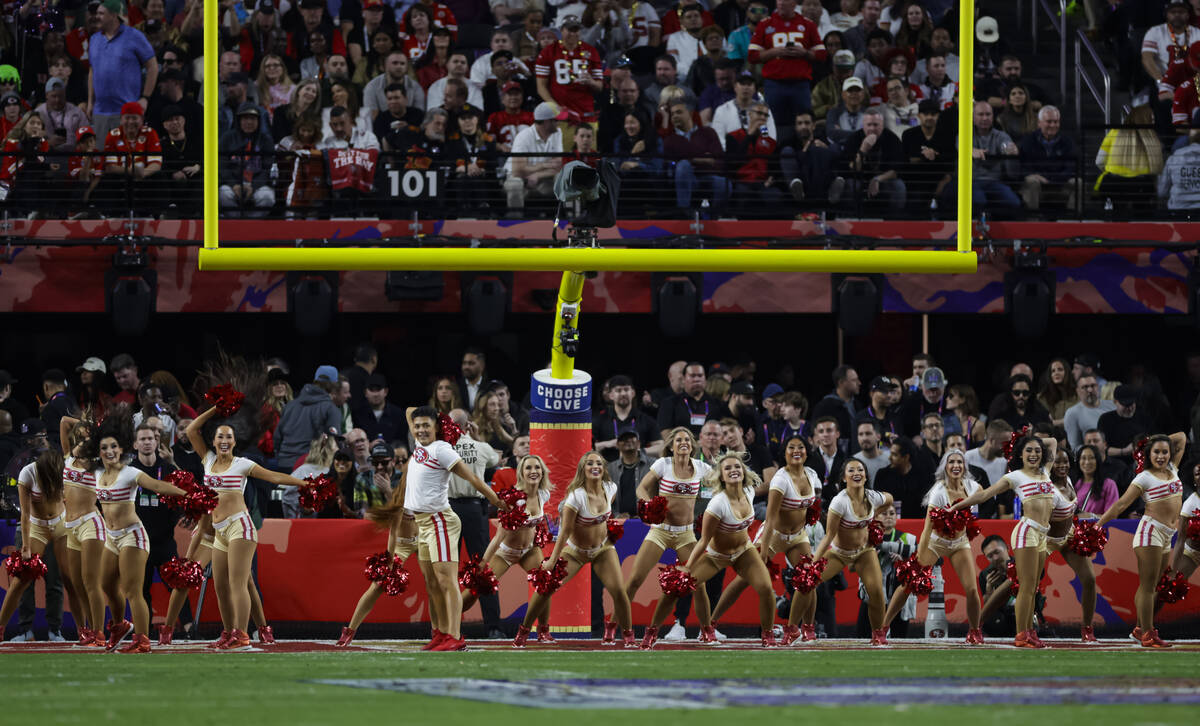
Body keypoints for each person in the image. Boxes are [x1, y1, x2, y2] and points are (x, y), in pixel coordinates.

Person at [187, 389, 309, 650]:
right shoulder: (207, 461)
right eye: (220, 435)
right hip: (219, 530)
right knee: (219, 586)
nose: (224, 440)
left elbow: (274, 477)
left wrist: (303, 483)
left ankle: (241, 634)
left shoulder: (242, 464)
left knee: (238, 583)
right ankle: (228, 632)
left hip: (240, 526)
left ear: (234, 442)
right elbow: (191, 431)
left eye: (228, 437)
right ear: (214, 439)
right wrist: (216, 410)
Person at [641, 452, 775, 648]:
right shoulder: (717, 504)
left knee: (766, 589)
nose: (733, 470)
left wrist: (762, 553)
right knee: (677, 588)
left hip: (744, 551)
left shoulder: (749, 491)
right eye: (727, 468)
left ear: (744, 472)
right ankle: (651, 632)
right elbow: (703, 541)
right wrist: (687, 568)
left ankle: (768, 634)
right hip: (716, 556)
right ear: (721, 476)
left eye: (737, 467)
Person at [406, 405, 507, 651]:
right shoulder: (421, 444)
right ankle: (441, 633)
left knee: (446, 580)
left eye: (425, 426)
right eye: (417, 426)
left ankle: (455, 635)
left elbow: (473, 479)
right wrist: (431, 422)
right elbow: (410, 411)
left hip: (440, 519)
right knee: (432, 582)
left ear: (437, 428)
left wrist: (496, 501)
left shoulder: (442, 449)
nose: (419, 429)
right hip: (423, 523)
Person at [90, 408, 188, 653]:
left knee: (133, 591)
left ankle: (142, 640)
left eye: (114, 446)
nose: (110, 451)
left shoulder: (131, 472)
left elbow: (159, 486)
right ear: (99, 451)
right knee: (106, 584)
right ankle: (121, 624)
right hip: (111, 538)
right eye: (105, 448)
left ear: (121, 449)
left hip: (132, 535)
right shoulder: (96, 474)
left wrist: (192, 495)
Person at [513, 451, 634, 647]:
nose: (594, 466)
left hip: (603, 549)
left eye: (598, 463)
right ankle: (524, 631)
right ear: (583, 470)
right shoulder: (576, 497)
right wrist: (552, 560)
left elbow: (604, 518)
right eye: (589, 464)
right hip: (576, 552)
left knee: (620, 591)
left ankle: (625, 634)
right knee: (546, 587)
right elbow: (565, 531)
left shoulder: (610, 488)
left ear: (603, 469)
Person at [949, 431, 1059, 648]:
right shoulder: (1015, 476)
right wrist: (958, 505)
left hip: (1042, 535)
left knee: (1033, 586)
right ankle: (1022, 634)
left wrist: (1027, 437)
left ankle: (1029, 633)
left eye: (1037, 450)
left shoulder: (1046, 471)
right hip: (1027, 532)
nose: (1034, 454)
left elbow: (1053, 441)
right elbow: (984, 495)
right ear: (1020, 455)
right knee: (1026, 586)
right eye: (1028, 450)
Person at [882, 449, 984, 643]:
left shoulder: (973, 487)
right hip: (935, 543)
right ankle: (883, 627)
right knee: (908, 584)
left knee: (971, 589)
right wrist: (919, 558)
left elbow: (984, 497)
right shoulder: (939, 492)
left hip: (959, 543)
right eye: (951, 462)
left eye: (960, 462)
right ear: (945, 467)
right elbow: (928, 528)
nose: (956, 465)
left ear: (965, 467)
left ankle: (974, 631)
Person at [1097, 432, 1187, 648]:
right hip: (1150, 532)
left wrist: (1155, 439)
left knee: (1155, 585)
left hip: (1167, 534)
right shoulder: (1144, 477)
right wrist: (1099, 524)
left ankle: (1140, 628)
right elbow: (1120, 505)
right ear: (1148, 454)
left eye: (1165, 451)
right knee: (1148, 587)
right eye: (1156, 452)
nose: (1161, 456)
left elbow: (1182, 437)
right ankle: (1148, 633)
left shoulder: (1173, 469)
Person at [623, 428, 713, 642]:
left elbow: (721, 486)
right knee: (635, 579)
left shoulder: (702, 468)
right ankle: (615, 626)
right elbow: (641, 488)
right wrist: (649, 503)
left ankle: (706, 630)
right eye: (679, 440)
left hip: (686, 535)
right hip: (661, 532)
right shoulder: (663, 464)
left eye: (687, 440)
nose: (683, 442)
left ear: (692, 445)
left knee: (699, 585)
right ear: (671, 446)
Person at [795, 459, 894, 645]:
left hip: (864, 552)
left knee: (877, 592)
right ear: (844, 477)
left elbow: (889, 498)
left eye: (860, 469)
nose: (856, 472)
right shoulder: (839, 502)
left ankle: (878, 634)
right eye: (851, 470)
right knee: (808, 581)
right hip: (839, 553)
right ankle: (805, 627)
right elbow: (829, 536)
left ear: (865, 476)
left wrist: (873, 516)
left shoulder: (872, 497)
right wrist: (814, 563)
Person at [0, 445, 90, 645]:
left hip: (60, 526)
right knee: (21, 579)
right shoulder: (28, 473)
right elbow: (24, 514)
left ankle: (83, 630)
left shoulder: (65, 469)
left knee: (69, 580)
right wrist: (25, 546)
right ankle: (1, 628)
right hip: (36, 527)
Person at [458, 454, 553, 641]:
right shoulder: (513, 498)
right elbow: (499, 535)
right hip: (506, 552)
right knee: (476, 589)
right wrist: (483, 562)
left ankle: (542, 630)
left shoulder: (544, 494)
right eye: (528, 468)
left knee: (546, 582)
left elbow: (536, 525)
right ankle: (446, 623)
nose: (533, 471)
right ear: (521, 473)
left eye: (537, 467)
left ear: (542, 471)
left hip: (530, 551)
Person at [335, 475, 421, 646]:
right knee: (377, 585)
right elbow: (393, 532)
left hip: (424, 540)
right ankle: (350, 630)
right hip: (401, 544)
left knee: (437, 583)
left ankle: (442, 631)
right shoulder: (399, 500)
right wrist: (389, 561)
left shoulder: (429, 495)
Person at [56, 416, 106, 645]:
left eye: (90, 435)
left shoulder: (96, 462)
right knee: (76, 583)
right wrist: (86, 425)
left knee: (90, 582)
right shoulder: (68, 457)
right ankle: (88, 630)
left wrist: (93, 434)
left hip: (90, 524)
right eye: (82, 434)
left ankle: (99, 631)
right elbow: (64, 421)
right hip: (70, 527)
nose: (86, 437)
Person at [1044, 448, 1100, 642]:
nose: (1063, 466)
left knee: (1090, 579)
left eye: (1066, 462)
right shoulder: (1046, 486)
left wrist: (1078, 517)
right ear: (1050, 465)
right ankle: (980, 623)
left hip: (1068, 536)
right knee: (1018, 581)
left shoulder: (1069, 480)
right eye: (1057, 463)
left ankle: (1087, 628)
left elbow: (1069, 511)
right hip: (1046, 539)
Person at [87, 0, 159, 141]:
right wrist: (90, 101)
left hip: (127, 112)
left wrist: (145, 98)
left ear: (113, 15)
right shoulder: (94, 39)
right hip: (100, 112)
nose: (97, 17)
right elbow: (92, 70)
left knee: (126, 158)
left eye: (101, 13)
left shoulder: (134, 36)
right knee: (102, 158)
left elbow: (153, 66)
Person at [748, 0, 827, 126]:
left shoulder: (808, 25)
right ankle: (769, 145)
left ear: (794, 3)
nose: (781, 3)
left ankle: (805, 146)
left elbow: (822, 55)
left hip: (800, 84)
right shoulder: (765, 24)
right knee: (770, 123)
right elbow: (751, 56)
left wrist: (804, 53)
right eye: (779, 0)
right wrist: (774, 52)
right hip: (774, 84)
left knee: (804, 122)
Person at [1073, 444, 1119, 517]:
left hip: (1099, 527)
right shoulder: (1075, 483)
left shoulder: (1109, 484)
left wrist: (1090, 516)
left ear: (1097, 460)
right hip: (1077, 527)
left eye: (1091, 458)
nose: (1087, 462)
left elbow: (1112, 516)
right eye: (1083, 458)